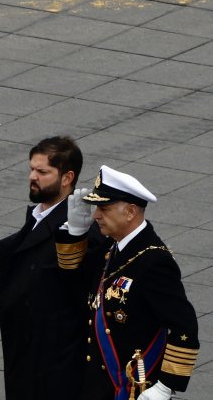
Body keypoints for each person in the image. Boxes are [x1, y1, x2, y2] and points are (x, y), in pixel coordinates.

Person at [57, 165, 199, 400]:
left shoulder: (155, 262)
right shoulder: (111, 247)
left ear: (130, 212)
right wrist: (74, 234)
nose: (96, 215)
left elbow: (184, 327)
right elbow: (72, 284)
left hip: (133, 388)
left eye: (104, 208)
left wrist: (165, 386)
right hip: (99, 386)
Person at [0, 136, 99, 400]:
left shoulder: (82, 230)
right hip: (26, 358)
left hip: (57, 365)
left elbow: (85, 288)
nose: (33, 176)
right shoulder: (33, 222)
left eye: (42, 172)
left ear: (67, 178)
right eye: (32, 169)